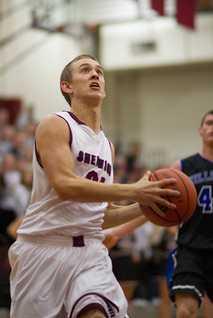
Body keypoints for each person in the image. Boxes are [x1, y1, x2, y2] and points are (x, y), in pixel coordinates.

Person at [8, 54, 180, 318]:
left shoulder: (107, 146)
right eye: (85, 70)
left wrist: (149, 204)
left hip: (89, 252)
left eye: (99, 71)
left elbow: (102, 215)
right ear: (67, 86)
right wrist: (134, 190)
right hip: (43, 250)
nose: (95, 74)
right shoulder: (56, 124)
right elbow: (65, 185)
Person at [168, 110, 213, 318]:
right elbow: (160, 203)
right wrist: (171, 228)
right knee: (185, 311)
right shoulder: (183, 166)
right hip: (191, 248)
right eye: (209, 123)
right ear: (200, 130)